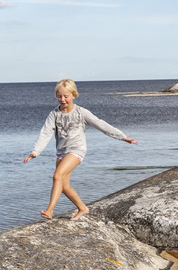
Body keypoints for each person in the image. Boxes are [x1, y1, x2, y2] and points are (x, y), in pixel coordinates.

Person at [24, 79, 137, 221]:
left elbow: (100, 124)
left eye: (66, 96)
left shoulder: (81, 112)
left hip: (77, 150)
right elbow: (45, 133)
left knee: (57, 176)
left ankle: (50, 210)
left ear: (74, 95)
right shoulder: (54, 114)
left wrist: (122, 137)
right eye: (59, 96)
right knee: (64, 186)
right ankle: (82, 208)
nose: (63, 99)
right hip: (61, 152)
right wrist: (35, 152)